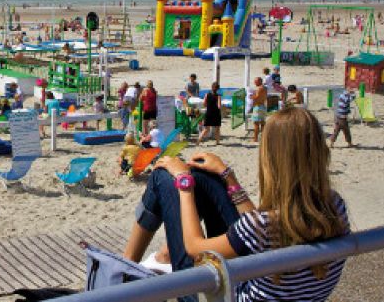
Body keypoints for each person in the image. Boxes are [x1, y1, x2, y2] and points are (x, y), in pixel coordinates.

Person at [123, 108, 350, 302]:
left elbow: (193, 247)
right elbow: (266, 232)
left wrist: (184, 184)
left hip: (220, 296)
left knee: (163, 178)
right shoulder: (335, 207)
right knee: (206, 178)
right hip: (281, 287)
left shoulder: (261, 225)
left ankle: (122, 275)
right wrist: (227, 176)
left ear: (271, 162)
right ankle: (137, 266)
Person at [250, 77, 267, 142]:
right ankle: (263, 138)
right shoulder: (265, 88)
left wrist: (251, 97)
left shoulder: (260, 88)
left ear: (259, 81)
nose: (254, 83)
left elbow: (257, 97)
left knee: (256, 124)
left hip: (258, 107)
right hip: (263, 106)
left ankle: (255, 138)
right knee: (262, 123)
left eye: (255, 81)